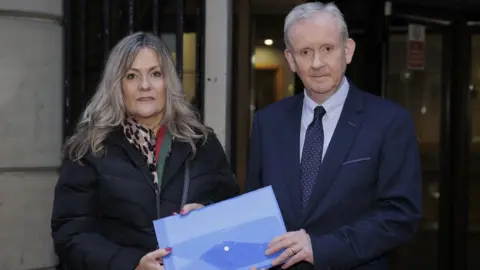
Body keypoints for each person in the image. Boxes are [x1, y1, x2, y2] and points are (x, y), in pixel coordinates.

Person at [247, 2, 422, 270]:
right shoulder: (267, 122)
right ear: (291, 60)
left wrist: (320, 248)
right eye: (305, 52)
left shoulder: (390, 122)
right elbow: (254, 206)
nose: (317, 63)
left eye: (327, 49)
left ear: (348, 51)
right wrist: (205, 218)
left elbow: (399, 215)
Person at [51, 32, 239, 270]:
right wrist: (133, 264)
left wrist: (208, 214)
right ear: (117, 85)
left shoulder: (201, 143)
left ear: (168, 82)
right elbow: (71, 235)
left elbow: (233, 213)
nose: (145, 85)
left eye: (155, 74)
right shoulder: (89, 148)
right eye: (132, 76)